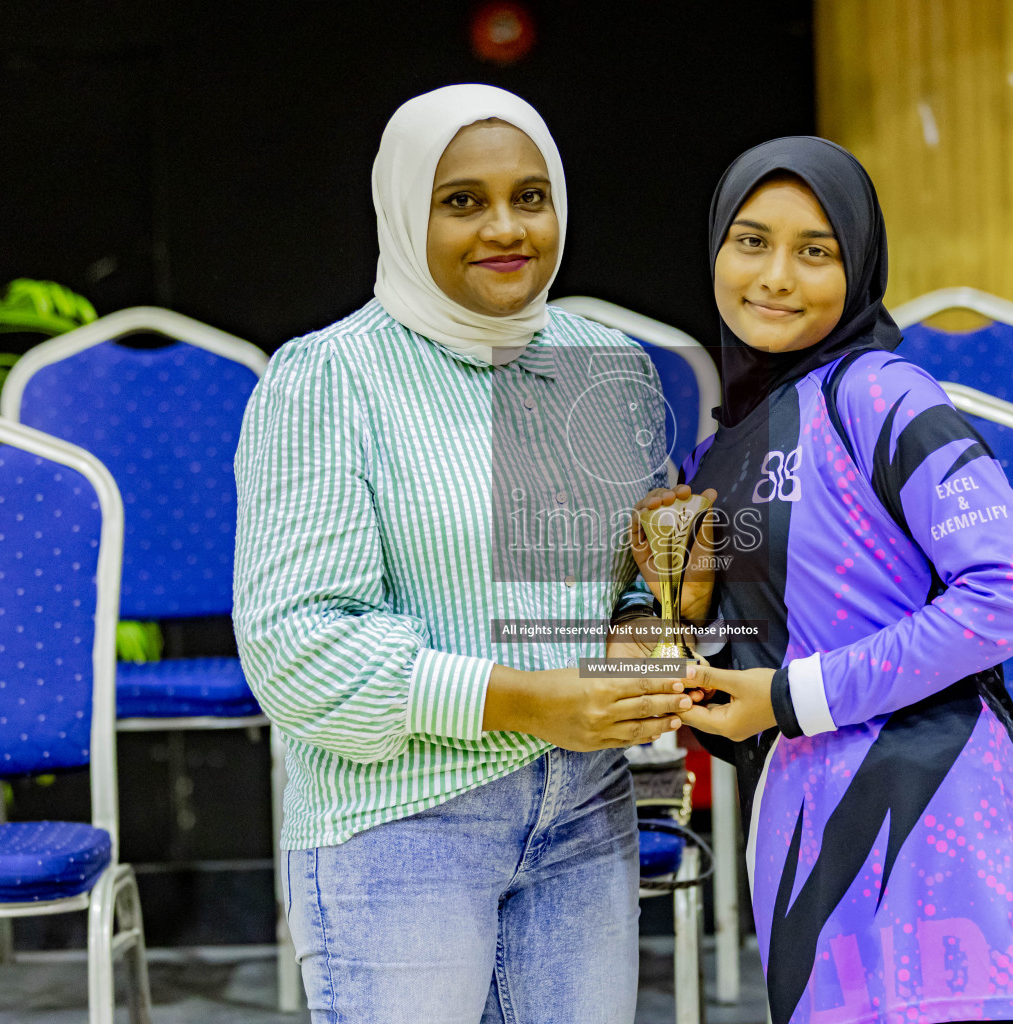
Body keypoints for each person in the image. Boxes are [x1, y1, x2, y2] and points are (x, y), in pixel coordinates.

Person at [233, 84, 687, 1024]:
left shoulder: (609, 367)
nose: (504, 228)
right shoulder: (327, 378)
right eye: (462, 202)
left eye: (530, 196)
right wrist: (525, 701)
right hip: (400, 826)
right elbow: (298, 647)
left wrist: (651, 631)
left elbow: (634, 603)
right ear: (405, 212)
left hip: (587, 814)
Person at [634, 137, 1013, 1024]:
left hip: (941, 829)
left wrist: (794, 695)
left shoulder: (884, 394)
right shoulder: (719, 448)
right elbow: (747, 686)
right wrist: (686, 614)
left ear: (861, 263)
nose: (775, 276)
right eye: (751, 241)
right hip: (806, 839)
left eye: (816, 251)